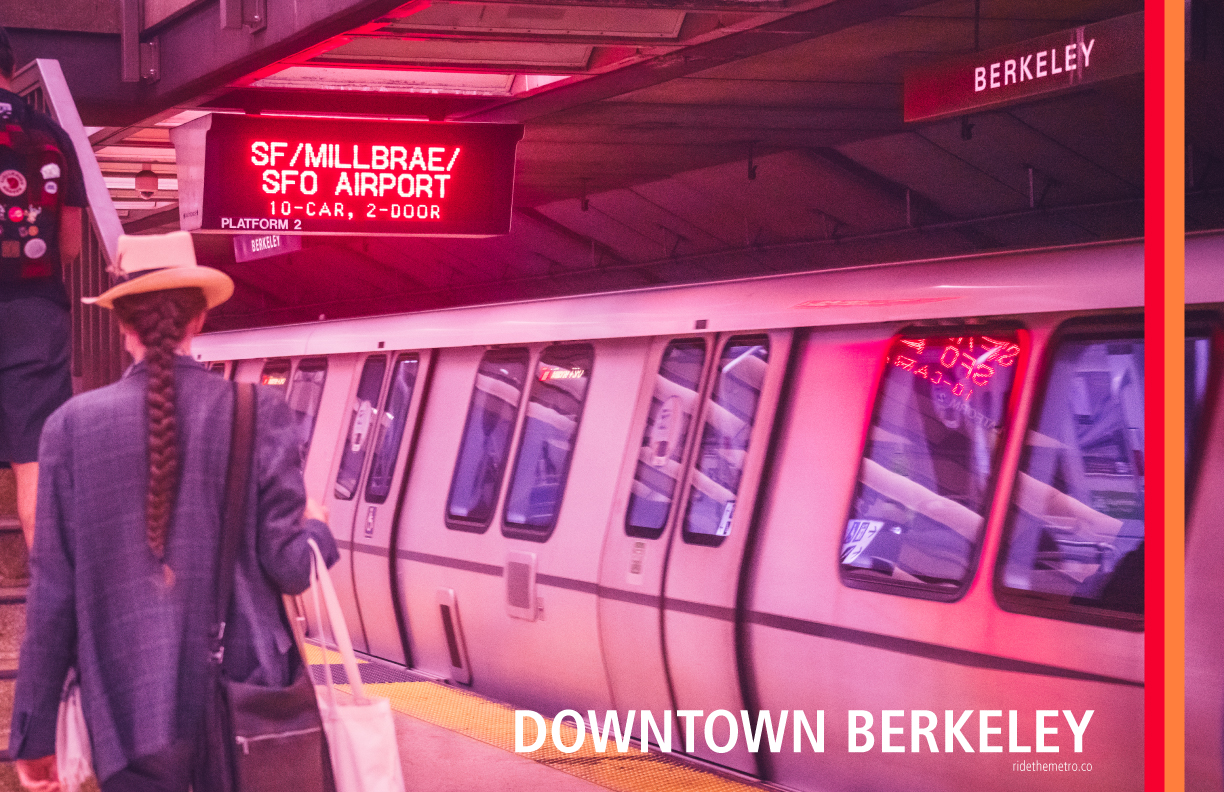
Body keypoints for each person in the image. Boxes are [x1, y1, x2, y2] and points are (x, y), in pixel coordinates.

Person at [8, 231, 339, 792]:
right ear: (200, 318)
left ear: (122, 323)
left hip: (124, 708)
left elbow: (54, 594)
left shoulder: (70, 427)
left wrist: (35, 734)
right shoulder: (258, 411)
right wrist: (319, 529)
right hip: (244, 699)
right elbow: (289, 567)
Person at [0, 26, 87, 550]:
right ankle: (50, 615)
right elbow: (70, 245)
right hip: (36, 312)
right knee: (34, 464)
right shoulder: (52, 134)